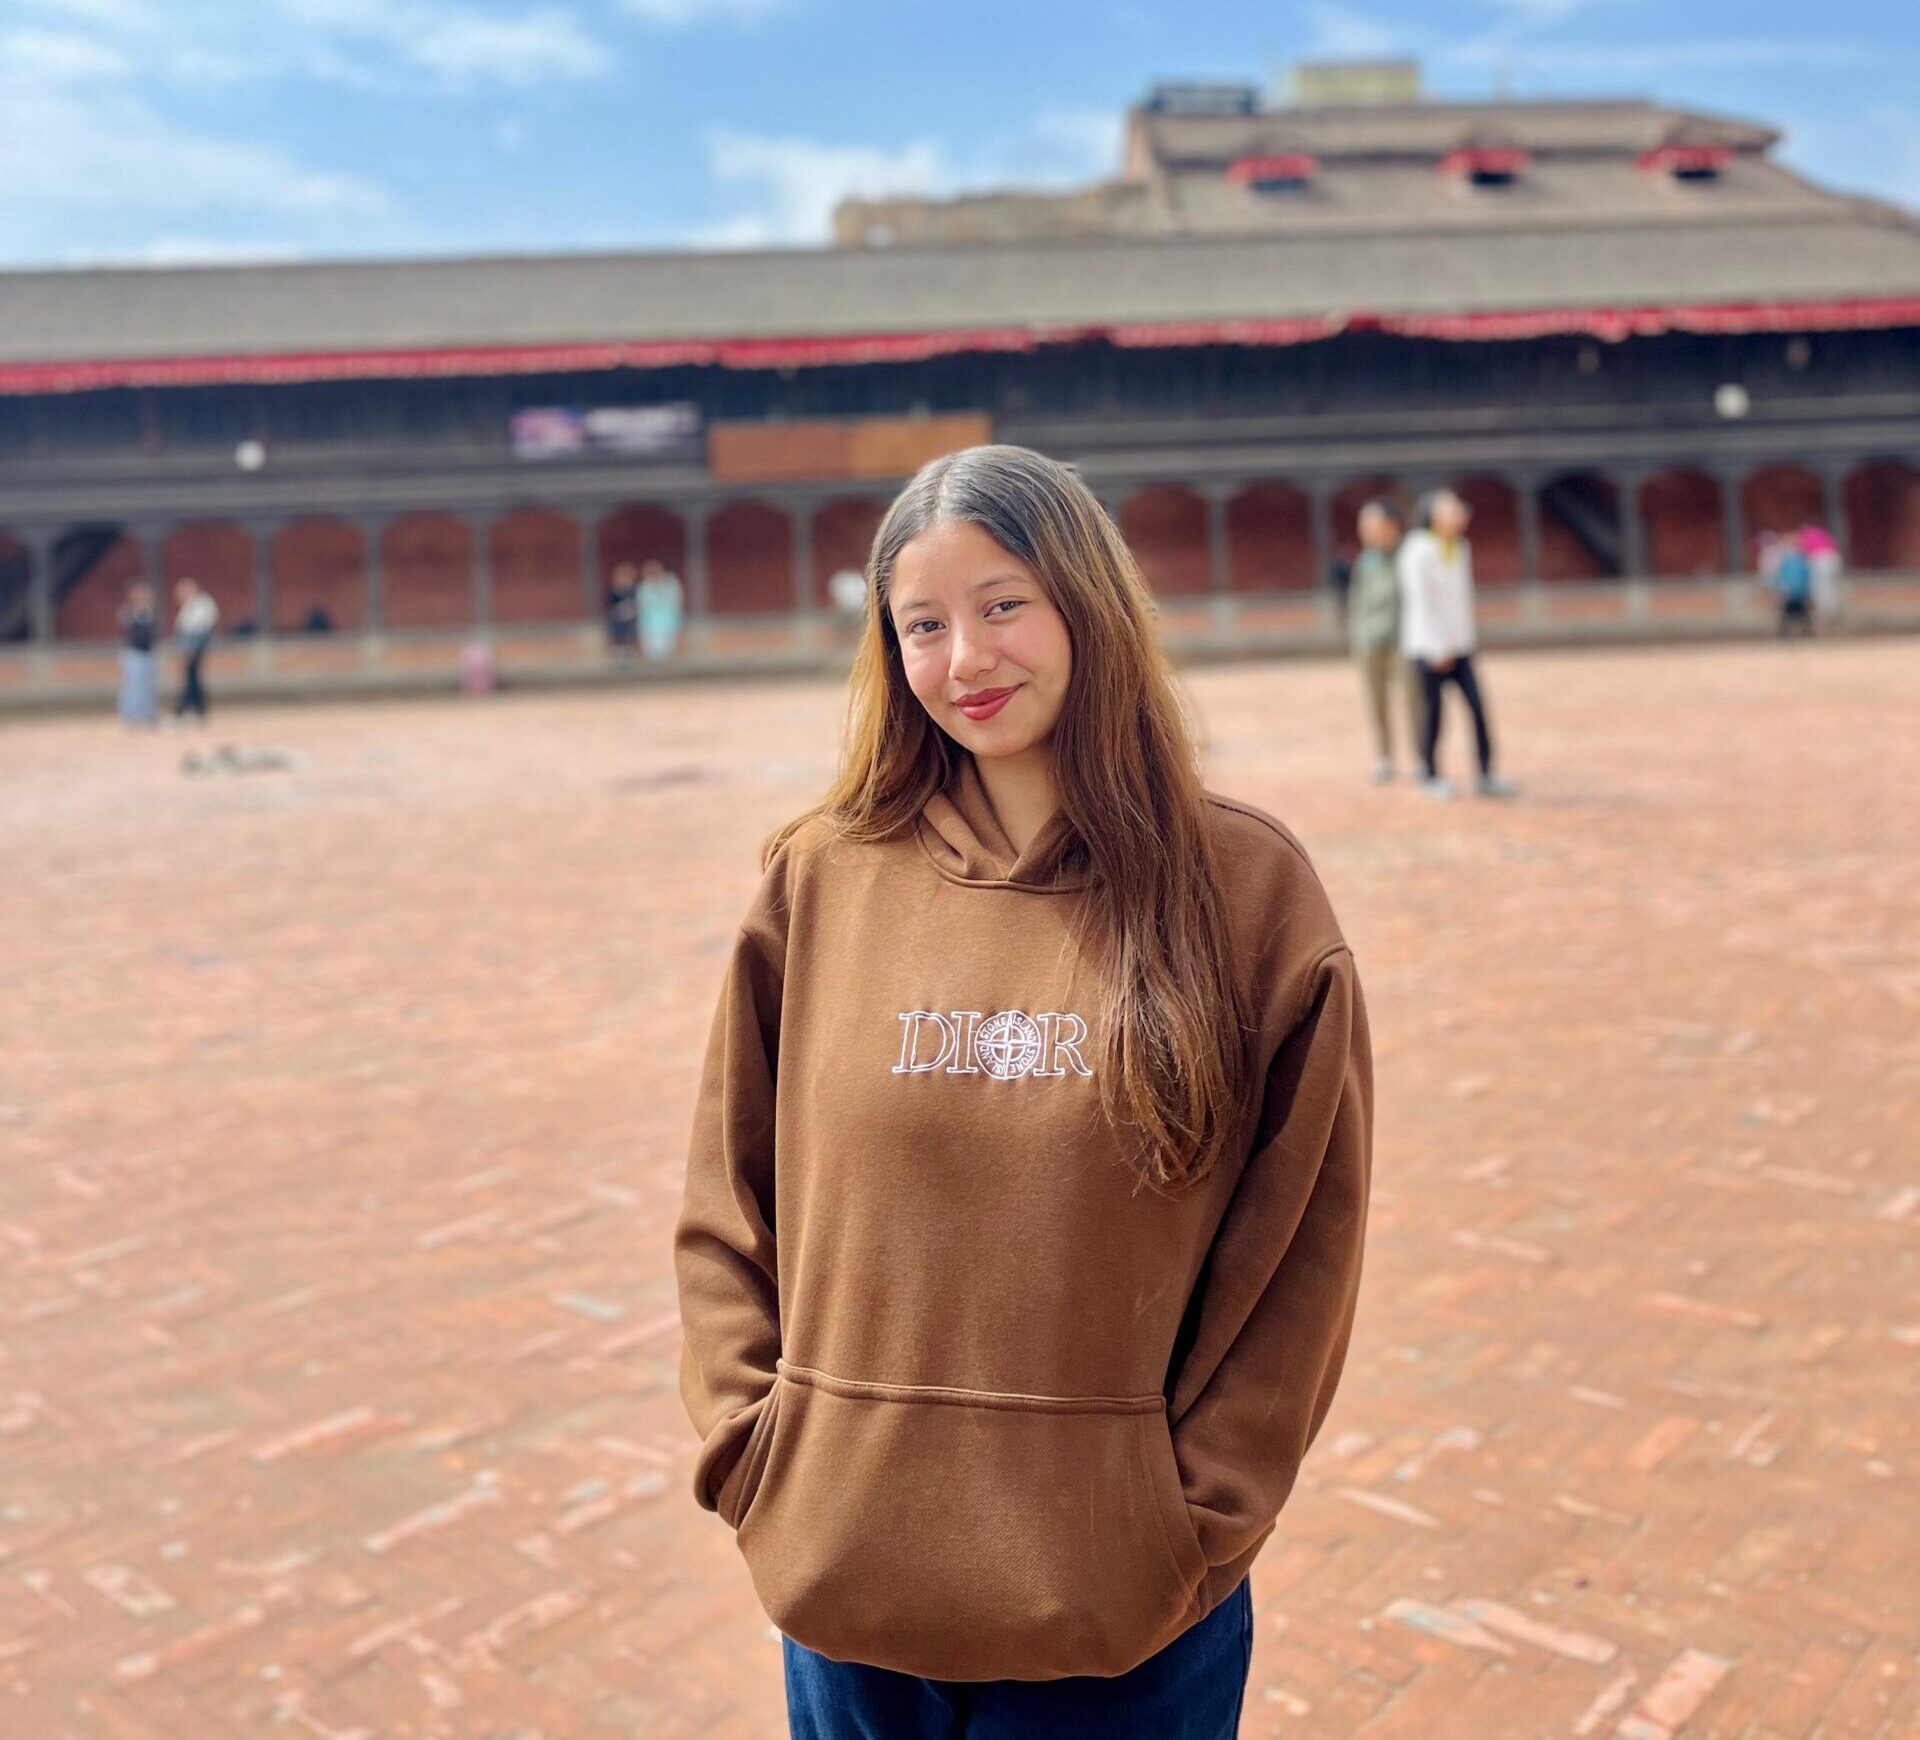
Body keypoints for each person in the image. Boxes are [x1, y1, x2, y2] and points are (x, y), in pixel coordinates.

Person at [674, 444, 1373, 1738]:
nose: (965, 661)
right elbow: (729, 1199)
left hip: (1123, 1616)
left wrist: (1189, 1522)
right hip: (847, 1582)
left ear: (1086, 605)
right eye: (922, 625)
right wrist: (759, 1454)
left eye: (1004, 606)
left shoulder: (1247, 893)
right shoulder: (820, 881)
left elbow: (1301, 1250)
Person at [1397, 490, 1515, 799]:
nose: (1460, 513)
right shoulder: (1417, 549)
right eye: (1451, 509)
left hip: (1460, 646)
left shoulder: (1459, 547)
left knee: (1477, 709)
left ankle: (1486, 774)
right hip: (1427, 649)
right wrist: (1437, 649)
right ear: (1433, 514)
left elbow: (1460, 602)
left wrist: (1461, 642)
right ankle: (1431, 773)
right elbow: (1420, 602)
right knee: (1433, 714)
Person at [1347, 498, 1421, 784]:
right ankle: (1384, 757)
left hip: (1404, 641)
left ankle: (1419, 758)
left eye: (1370, 525)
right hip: (1370, 642)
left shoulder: (1410, 555)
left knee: (1414, 702)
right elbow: (1357, 599)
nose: (1364, 531)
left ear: (1391, 526)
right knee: (1376, 703)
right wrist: (1357, 635)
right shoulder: (1367, 559)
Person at [169, 577, 218, 725]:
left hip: (194, 647)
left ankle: (191, 710)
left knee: (192, 679)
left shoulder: (202, 605)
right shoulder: (190, 606)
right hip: (189, 646)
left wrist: (190, 649)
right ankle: (193, 710)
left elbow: (198, 629)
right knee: (191, 679)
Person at [116, 580, 159, 729]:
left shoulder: (150, 612)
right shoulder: (128, 613)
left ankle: (147, 713)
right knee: (133, 685)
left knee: (148, 684)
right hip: (133, 653)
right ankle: (130, 715)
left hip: (148, 652)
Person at [636, 557, 685, 661]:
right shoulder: (645, 586)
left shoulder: (671, 582)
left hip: (668, 621)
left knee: (668, 649)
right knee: (652, 651)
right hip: (650, 624)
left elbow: (676, 600)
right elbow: (642, 604)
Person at [1770, 535, 1815, 638]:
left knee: (1801, 614)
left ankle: (1805, 633)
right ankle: (1787, 633)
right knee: (1790, 614)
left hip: (1797, 592)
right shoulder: (1789, 560)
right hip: (1792, 592)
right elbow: (1781, 576)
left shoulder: (1800, 559)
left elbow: (1806, 576)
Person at [1799, 522, 1843, 626]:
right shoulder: (1822, 534)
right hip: (1831, 559)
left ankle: (1827, 613)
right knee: (1828, 588)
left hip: (1821, 560)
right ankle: (1830, 612)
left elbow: (1805, 552)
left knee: (1822, 589)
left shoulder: (1807, 536)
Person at [606, 564, 640, 662]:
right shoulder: (614, 590)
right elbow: (609, 603)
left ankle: (630, 655)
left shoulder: (634, 590)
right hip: (617, 618)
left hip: (630, 618)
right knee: (618, 638)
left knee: (629, 637)